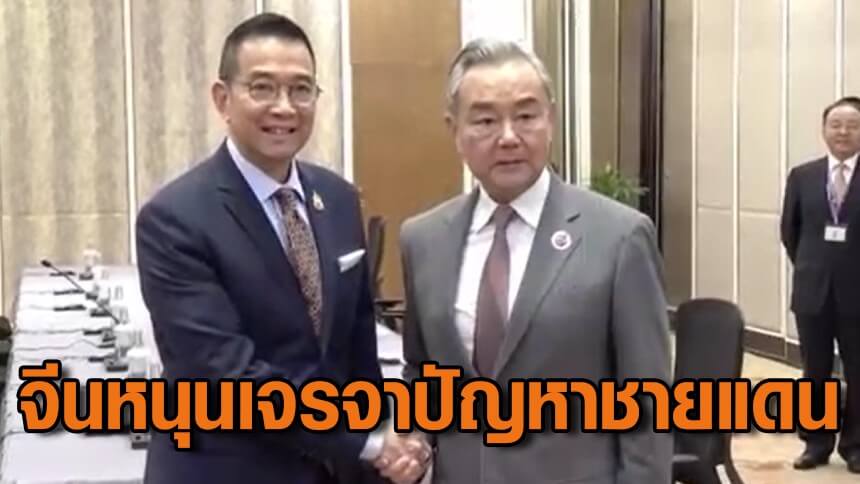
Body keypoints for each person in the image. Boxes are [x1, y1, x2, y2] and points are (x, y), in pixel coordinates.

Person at [136, 13, 427, 484]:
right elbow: (227, 377)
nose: (285, 107)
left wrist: (381, 440)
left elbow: (357, 349)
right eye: (263, 88)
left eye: (301, 89)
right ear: (222, 99)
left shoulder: (337, 198)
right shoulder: (175, 219)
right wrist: (366, 443)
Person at [397, 38, 672, 484]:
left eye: (526, 116)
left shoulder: (619, 237)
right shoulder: (423, 239)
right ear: (455, 130)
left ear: (551, 120)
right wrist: (414, 437)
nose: (508, 137)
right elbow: (421, 371)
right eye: (485, 120)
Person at [781, 96, 860, 475]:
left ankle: (855, 446)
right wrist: (813, 267)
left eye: (852, 125)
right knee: (815, 370)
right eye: (836, 124)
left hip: (858, 292)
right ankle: (815, 443)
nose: (843, 132)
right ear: (824, 129)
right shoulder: (803, 175)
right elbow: (790, 231)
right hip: (812, 291)